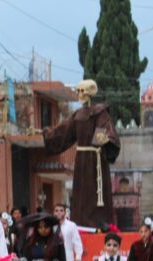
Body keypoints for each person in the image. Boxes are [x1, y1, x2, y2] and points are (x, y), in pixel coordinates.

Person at [42, 79, 121, 227]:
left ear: (91, 92)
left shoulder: (100, 113)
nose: (80, 94)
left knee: (95, 193)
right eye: (78, 91)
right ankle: (81, 223)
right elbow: (64, 131)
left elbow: (105, 130)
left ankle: (99, 223)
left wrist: (98, 143)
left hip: (95, 159)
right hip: (82, 159)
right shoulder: (77, 115)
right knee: (81, 193)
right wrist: (48, 134)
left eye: (82, 91)